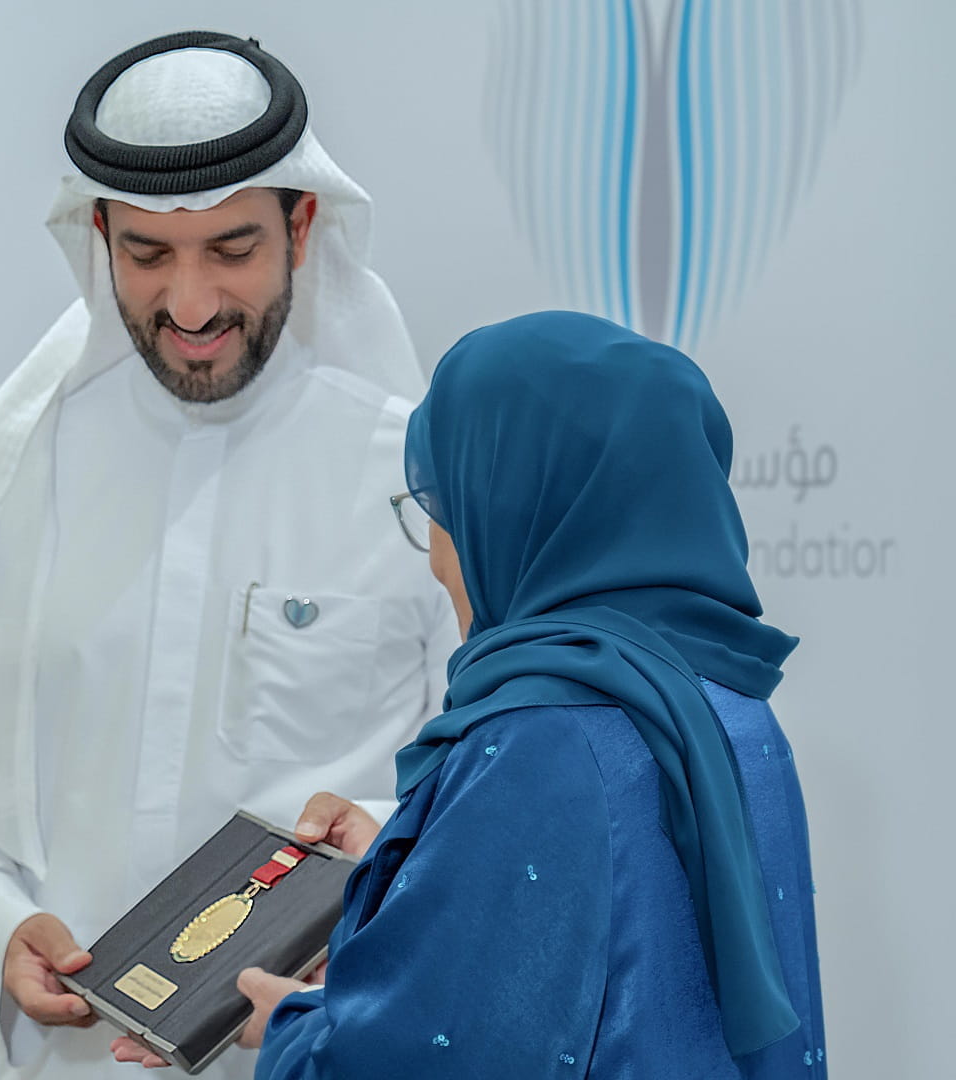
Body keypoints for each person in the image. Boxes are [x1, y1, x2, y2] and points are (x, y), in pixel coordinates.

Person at [0, 32, 457, 1080]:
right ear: (98, 234)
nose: (191, 305)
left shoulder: (412, 478)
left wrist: (382, 851)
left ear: (302, 224)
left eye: (231, 249)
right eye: (147, 254)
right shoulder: (14, 472)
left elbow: (496, 781)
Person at [201, 312, 828, 1077]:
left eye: (443, 509)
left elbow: (431, 1058)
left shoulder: (540, 735)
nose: (437, 557)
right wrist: (421, 864)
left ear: (514, 516)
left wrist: (293, 1023)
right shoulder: (736, 713)